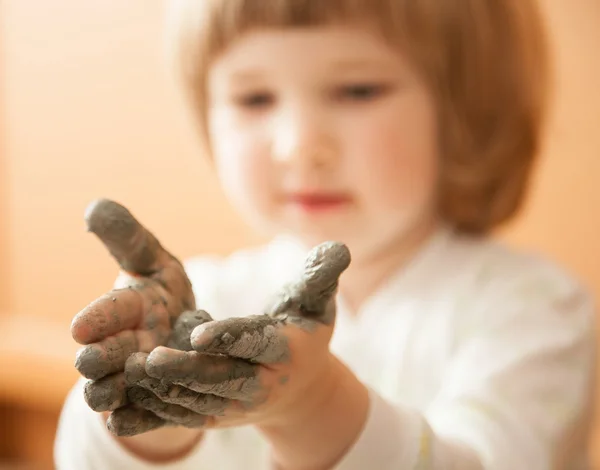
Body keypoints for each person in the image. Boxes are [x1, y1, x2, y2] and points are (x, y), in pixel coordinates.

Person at [54, 0, 597, 468]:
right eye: (254, 99)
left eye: (357, 91)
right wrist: (154, 413)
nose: (298, 145)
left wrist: (313, 407)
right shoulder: (202, 301)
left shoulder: (536, 310)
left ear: (465, 109)